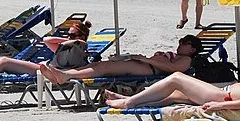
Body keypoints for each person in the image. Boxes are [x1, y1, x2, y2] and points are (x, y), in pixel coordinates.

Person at [102, 34, 240, 111]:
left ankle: (127, 103)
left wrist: (220, 105)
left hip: (224, 96)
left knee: (177, 78)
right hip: (225, 91)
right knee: (174, 96)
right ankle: (131, 99)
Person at [0, 20, 92, 82]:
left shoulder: (81, 47)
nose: (68, 37)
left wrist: (72, 40)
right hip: (43, 68)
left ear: (81, 36)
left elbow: (81, 43)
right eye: (68, 34)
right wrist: (66, 40)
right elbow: (47, 40)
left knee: (4, 61)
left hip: (47, 72)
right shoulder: (66, 45)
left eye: (72, 35)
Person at [39, 35, 203, 85]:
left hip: (148, 70)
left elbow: (172, 70)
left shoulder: (186, 60)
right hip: (143, 65)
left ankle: (66, 76)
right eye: (180, 41)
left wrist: (147, 60)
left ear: (192, 49)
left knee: (104, 68)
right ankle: (62, 74)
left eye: (185, 43)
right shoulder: (178, 55)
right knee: (99, 64)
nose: (180, 44)